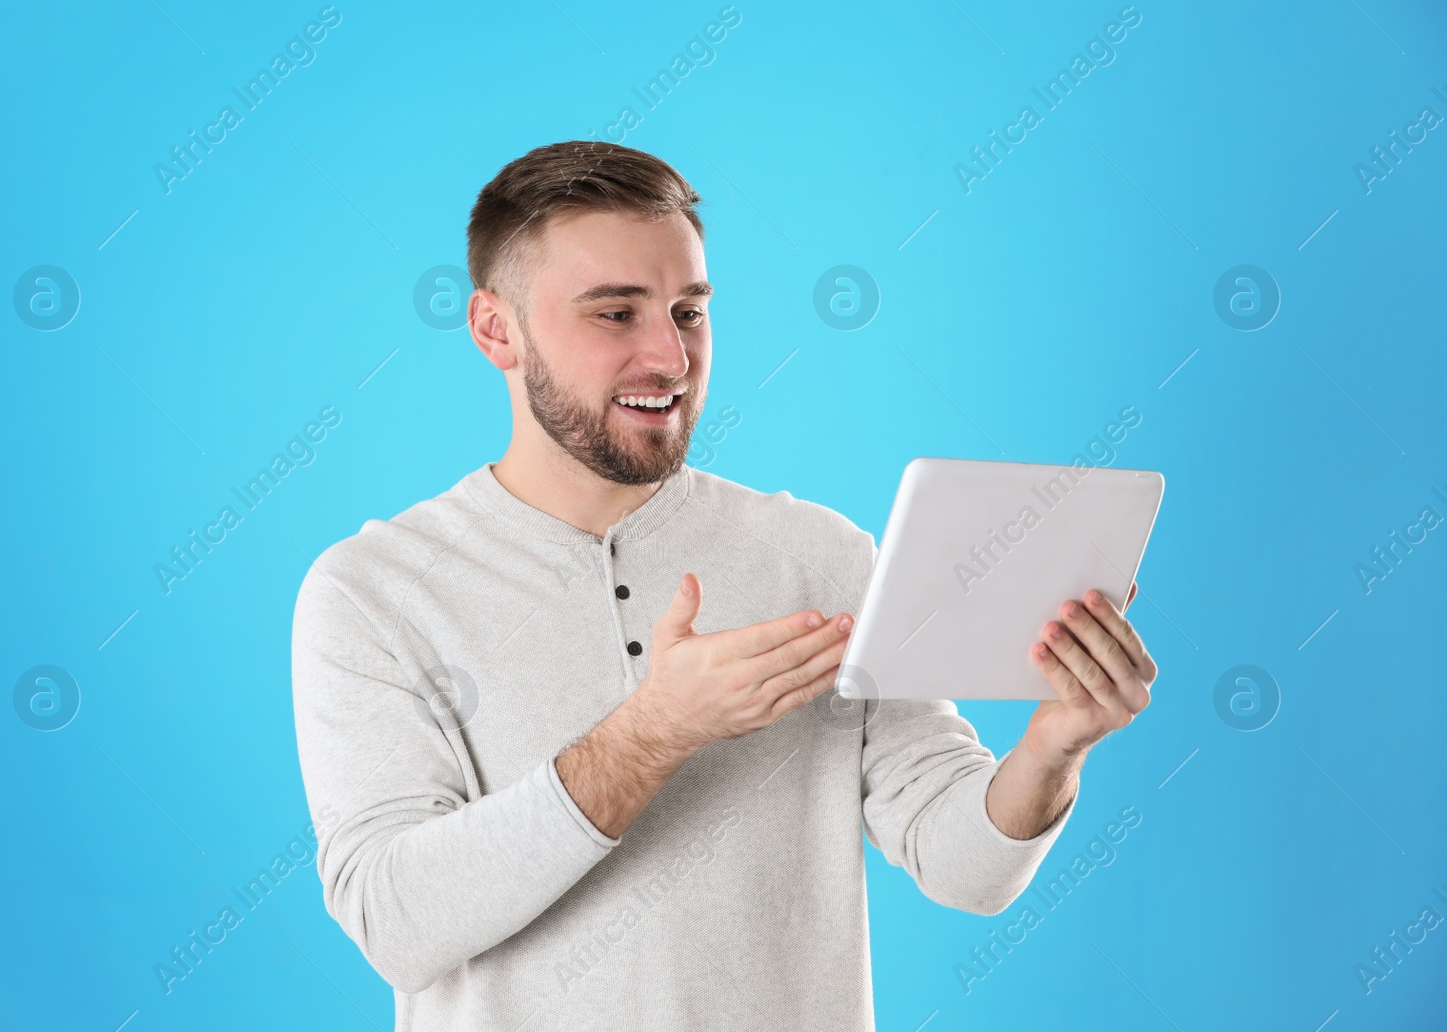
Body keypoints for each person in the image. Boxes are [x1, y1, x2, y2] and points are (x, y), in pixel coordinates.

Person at [290, 140, 1158, 1030]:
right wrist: (655, 730)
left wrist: (1054, 746)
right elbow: (397, 922)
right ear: (494, 328)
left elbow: (967, 869)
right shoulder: (374, 592)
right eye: (615, 314)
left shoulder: (820, 553)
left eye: (689, 310)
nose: (669, 355)